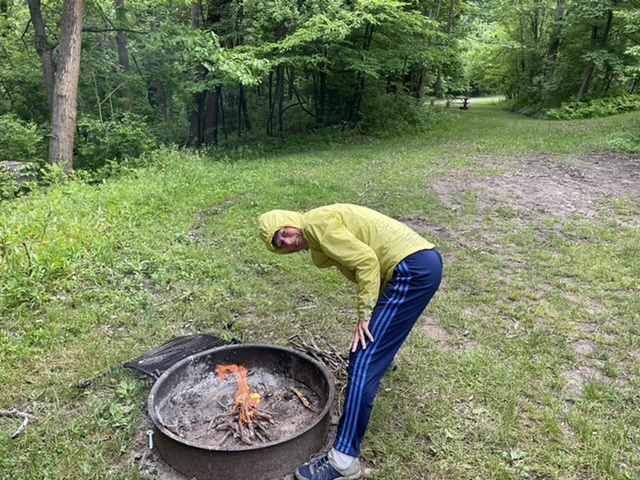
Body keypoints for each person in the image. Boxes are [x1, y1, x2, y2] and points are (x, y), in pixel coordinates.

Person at [259, 204, 443, 480]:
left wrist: (366, 315)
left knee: (362, 360)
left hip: (411, 269)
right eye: (279, 243)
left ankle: (343, 460)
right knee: (372, 346)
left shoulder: (315, 224)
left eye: (283, 232)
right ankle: (382, 357)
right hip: (422, 262)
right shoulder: (317, 228)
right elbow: (371, 268)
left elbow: (367, 262)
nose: (286, 241)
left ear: (290, 221)